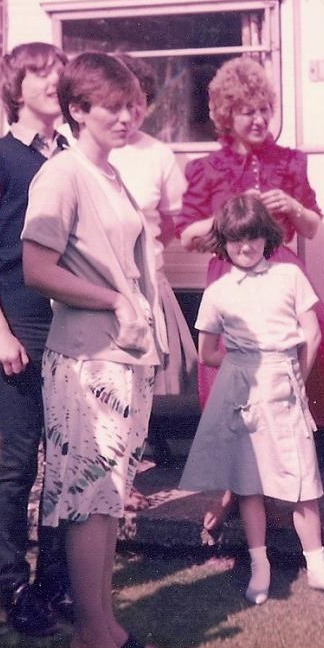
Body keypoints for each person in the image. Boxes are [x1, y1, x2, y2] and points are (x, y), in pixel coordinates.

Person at [21, 52, 165, 648]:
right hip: (86, 361)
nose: (128, 116)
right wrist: (113, 299)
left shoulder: (110, 173)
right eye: (112, 106)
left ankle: (104, 628)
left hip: (123, 357)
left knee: (108, 499)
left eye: (133, 104)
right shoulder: (62, 173)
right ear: (78, 110)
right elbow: (35, 268)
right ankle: (90, 638)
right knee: (87, 500)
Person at [177, 55, 324, 533]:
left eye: (263, 110)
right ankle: (235, 487)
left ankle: (288, 480)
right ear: (225, 116)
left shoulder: (289, 160)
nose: (257, 119)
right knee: (233, 383)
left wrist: (292, 204)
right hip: (228, 279)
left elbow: (313, 226)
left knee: (294, 375)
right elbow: (185, 236)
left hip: (283, 274)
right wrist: (230, 218)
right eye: (246, 111)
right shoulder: (207, 168)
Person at [178, 195, 324, 607]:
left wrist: (294, 371)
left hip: (286, 384)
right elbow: (207, 352)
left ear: (267, 237)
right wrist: (245, 362)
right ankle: (259, 564)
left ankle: (317, 566)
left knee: (302, 478)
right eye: (235, 241)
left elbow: (312, 331)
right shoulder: (218, 290)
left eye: (253, 238)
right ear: (222, 242)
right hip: (243, 390)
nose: (245, 248)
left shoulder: (288, 276)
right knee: (250, 483)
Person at [0, 41, 71, 636]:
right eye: (41, 72)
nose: (56, 79)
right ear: (16, 85)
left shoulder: (75, 156)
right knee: (20, 461)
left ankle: (56, 581)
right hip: (18, 324)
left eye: (60, 71)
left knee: (68, 460)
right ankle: (14, 585)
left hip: (72, 326)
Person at [109, 54, 196, 400]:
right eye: (121, 103)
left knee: (151, 389)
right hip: (98, 288)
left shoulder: (158, 154)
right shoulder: (78, 151)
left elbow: (171, 222)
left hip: (147, 286)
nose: (130, 114)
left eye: (139, 103)